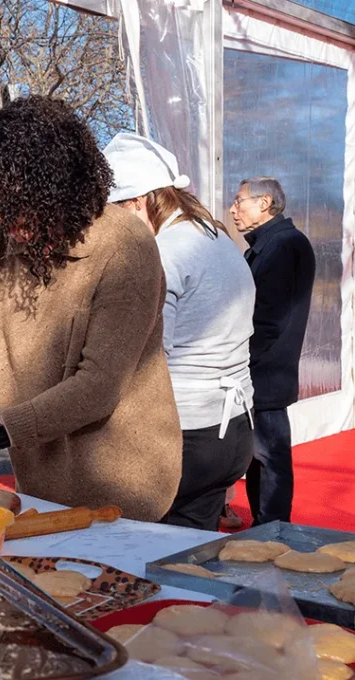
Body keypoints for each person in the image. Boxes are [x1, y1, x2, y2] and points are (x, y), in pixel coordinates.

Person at [0, 96, 182, 522]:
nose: (2, 216)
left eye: (15, 202)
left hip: (125, 485)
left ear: (59, 188)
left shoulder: (125, 247)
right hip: (43, 484)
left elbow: (97, 387)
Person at [103, 133, 256, 531]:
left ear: (137, 201)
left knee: (159, 558)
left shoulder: (165, 251)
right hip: (233, 427)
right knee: (195, 560)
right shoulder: (217, 236)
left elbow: (149, 359)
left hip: (188, 435)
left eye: (114, 211)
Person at [229, 176, 316, 524]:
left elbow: (269, 317)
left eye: (240, 201)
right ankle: (265, 526)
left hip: (265, 371)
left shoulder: (282, 245)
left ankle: (273, 530)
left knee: (270, 456)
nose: (233, 209)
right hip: (263, 370)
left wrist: (239, 360)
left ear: (264, 204)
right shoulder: (270, 244)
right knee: (260, 457)